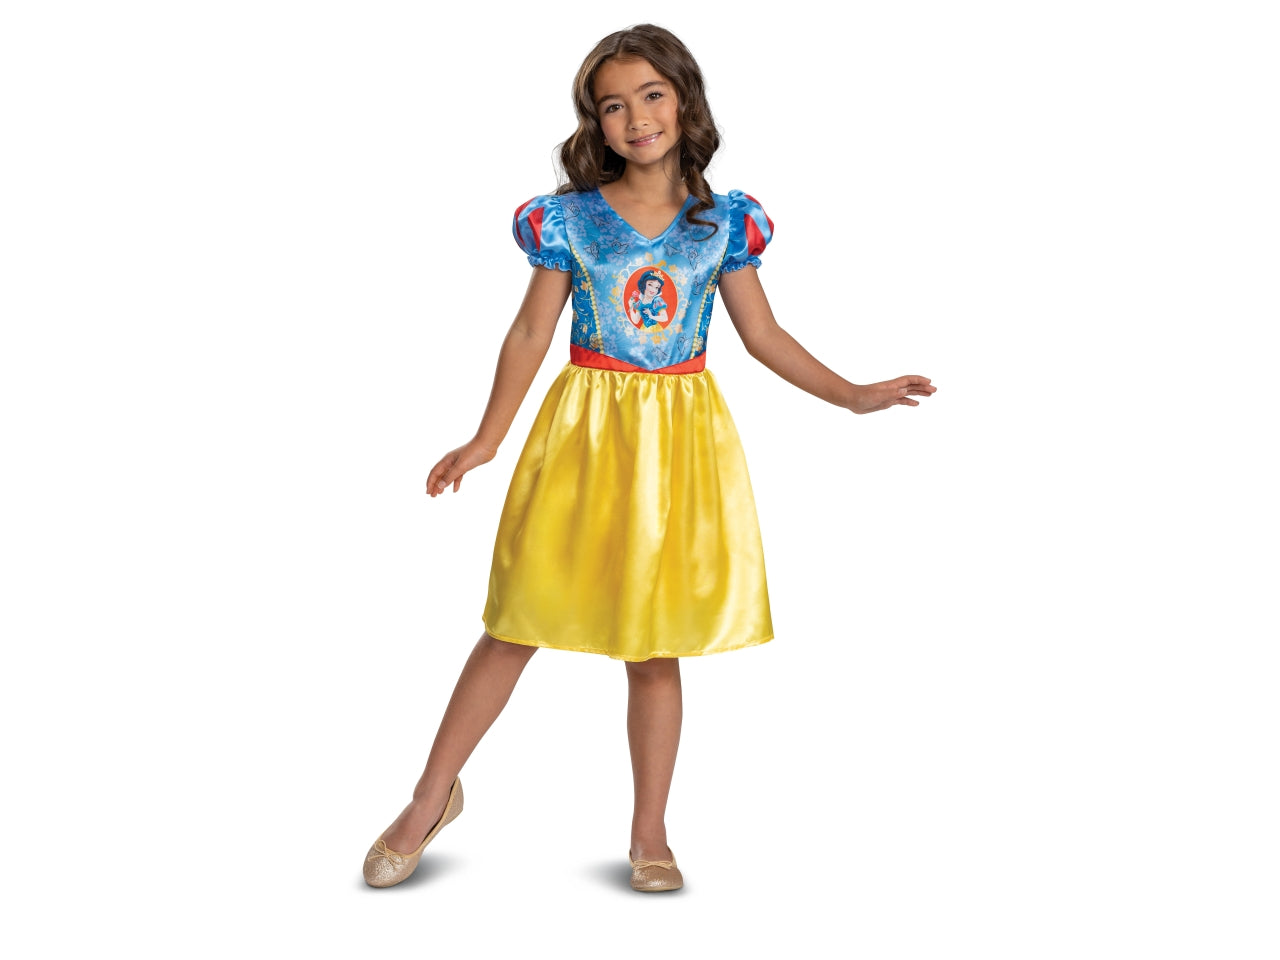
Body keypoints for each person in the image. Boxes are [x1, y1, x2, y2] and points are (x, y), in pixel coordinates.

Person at [361, 23, 936, 893]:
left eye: (652, 96)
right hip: (585, 436)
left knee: (654, 644)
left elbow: (764, 335)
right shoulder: (572, 219)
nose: (636, 118)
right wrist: (486, 438)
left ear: (685, 99)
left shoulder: (721, 223)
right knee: (515, 622)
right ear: (595, 122)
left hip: (676, 448)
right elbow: (530, 332)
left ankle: (650, 831)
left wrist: (852, 394)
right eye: (613, 105)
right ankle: (429, 797)